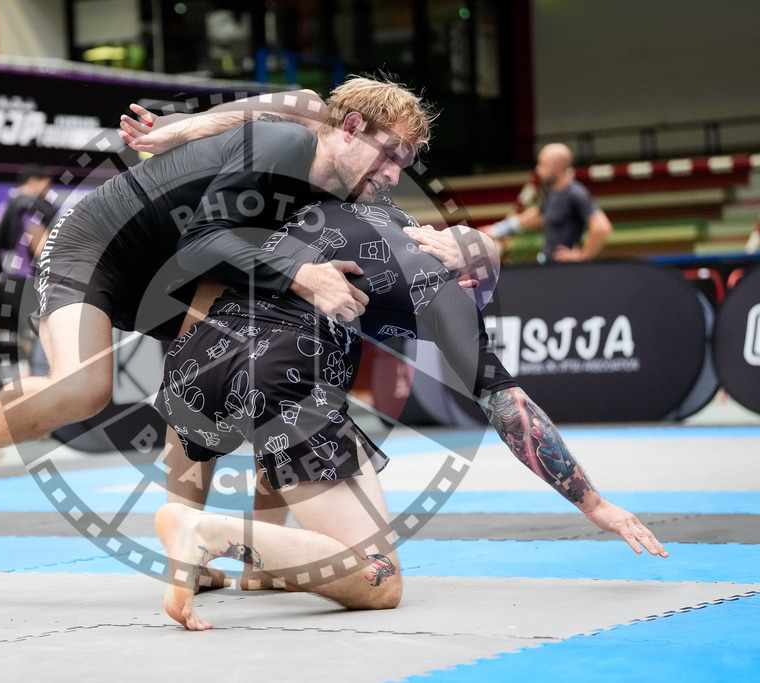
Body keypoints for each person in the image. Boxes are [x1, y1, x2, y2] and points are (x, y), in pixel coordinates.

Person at [0, 76, 441, 548]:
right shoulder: (286, 144)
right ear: (348, 128)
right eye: (390, 155)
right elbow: (203, 238)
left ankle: (200, 546)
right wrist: (185, 130)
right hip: (101, 248)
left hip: (182, 271)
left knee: (241, 369)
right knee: (82, 387)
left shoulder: (345, 188)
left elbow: (391, 229)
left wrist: (457, 251)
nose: (395, 174)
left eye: (406, 163)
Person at [154, 196, 668, 630]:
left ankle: (262, 566)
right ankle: (209, 534)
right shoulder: (448, 291)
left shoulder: (370, 207)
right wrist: (593, 503)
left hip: (196, 359)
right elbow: (510, 408)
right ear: (472, 280)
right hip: (282, 378)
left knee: (285, 423)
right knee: (380, 580)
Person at [482, 143, 612, 262]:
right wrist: (497, 229)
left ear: (558, 168)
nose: (538, 170)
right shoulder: (551, 192)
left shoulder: (576, 193)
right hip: (550, 266)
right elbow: (537, 215)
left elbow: (601, 227)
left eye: (542, 165)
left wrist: (582, 256)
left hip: (567, 271)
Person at [0, 163, 57, 377]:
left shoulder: (3, 207)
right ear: (34, 182)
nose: (47, 192)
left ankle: (23, 394)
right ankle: (38, 395)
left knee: (21, 345)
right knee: (39, 343)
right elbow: (41, 247)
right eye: (46, 186)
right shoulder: (29, 206)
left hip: (8, 282)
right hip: (28, 284)